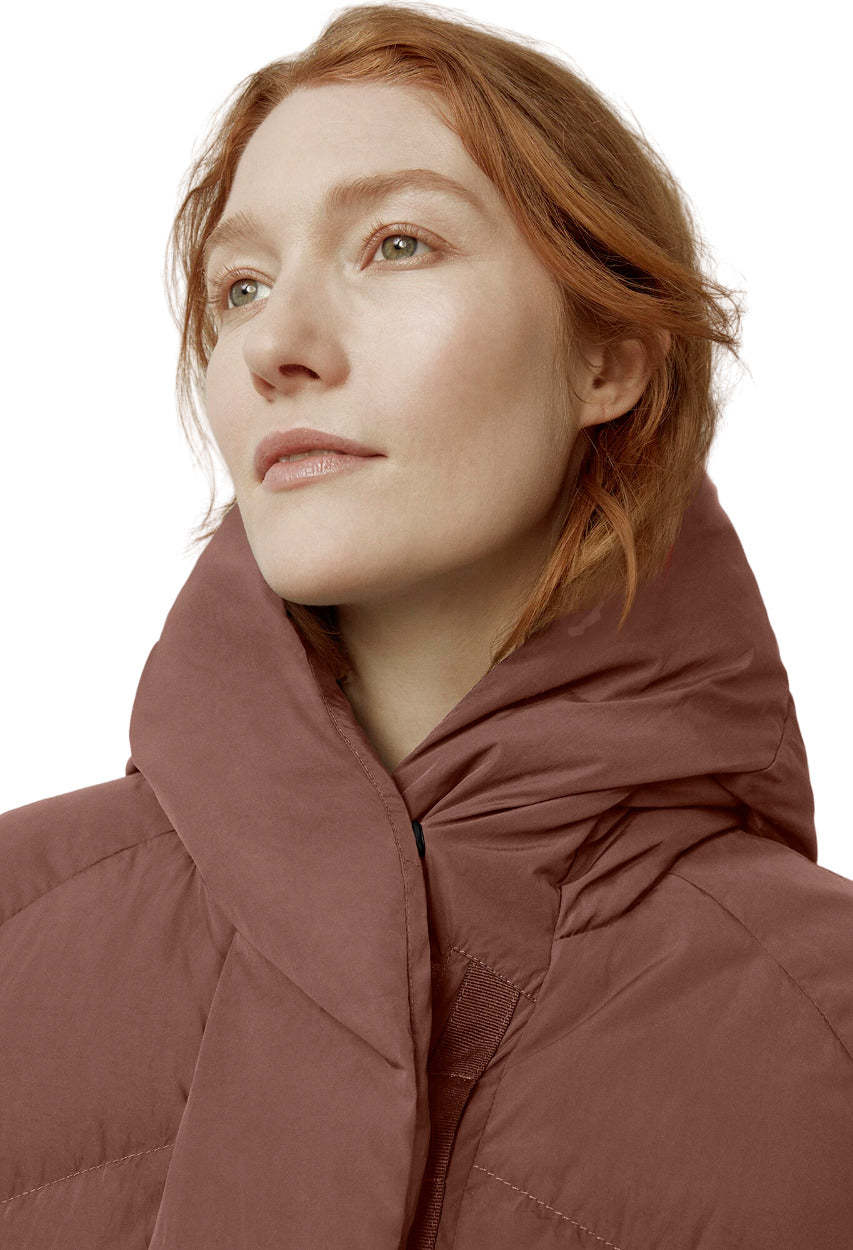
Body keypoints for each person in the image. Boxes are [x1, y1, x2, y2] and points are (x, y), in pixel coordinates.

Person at [1, 5, 851, 1248]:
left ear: (608, 360)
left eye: (397, 244)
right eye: (241, 286)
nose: (277, 345)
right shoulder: (17, 926)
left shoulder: (823, 1026)